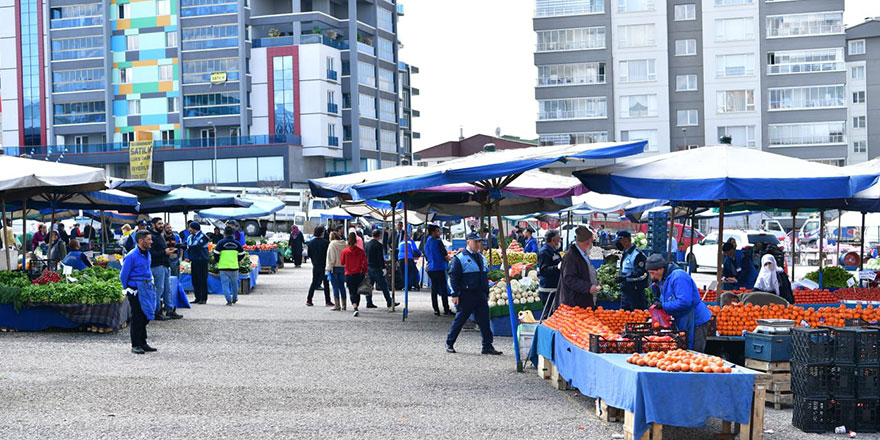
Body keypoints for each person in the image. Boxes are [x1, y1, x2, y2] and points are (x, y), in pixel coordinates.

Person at [445, 232, 502, 355]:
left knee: (485, 321)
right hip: (466, 294)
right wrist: (455, 294)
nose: (477, 244)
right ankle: (449, 343)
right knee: (460, 320)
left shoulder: (481, 257)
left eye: (479, 242)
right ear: (467, 242)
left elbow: (484, 276)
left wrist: (486, 292)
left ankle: (487, 345)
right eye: (475, 241)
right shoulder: (459, 258)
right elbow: (453, 277)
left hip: (480, 294)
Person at [646, 254, 712, 352]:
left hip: (696, 321)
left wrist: (663, 305)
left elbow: (685, 302)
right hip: (684, 319)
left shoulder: (678, 277)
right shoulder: (663, 279)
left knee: (694, 353)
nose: (652, 277)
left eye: (652, 273)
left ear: (660, 269)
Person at [120, 230, 158, 354]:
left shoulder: (147, 253)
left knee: (145, 315)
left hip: (146, 287)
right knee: (137, 316)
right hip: (135, 290)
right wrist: (129, 289)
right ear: (141, 241)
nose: (151, 241)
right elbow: (123, 275)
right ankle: (135, 344)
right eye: (148, 239)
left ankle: (143, 342)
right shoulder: (131, 256)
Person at [553, 226, 600, 310]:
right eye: (591, 242)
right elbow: (570, 278)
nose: (591, 245)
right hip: (573, 304)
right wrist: (588, 287)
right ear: (587, 242)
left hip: (580, 303)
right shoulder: (571, 257)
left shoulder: (580, 254)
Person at [149, 218, 182, 320]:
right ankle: (156, 311)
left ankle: (169, 310)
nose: (161, 225)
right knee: (159, 290)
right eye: (159, 224)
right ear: (153, 225)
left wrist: (170, 250)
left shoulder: (160, 235)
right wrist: (165, 252)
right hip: (157, 266)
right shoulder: (151, 237)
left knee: (168, 289)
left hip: (165, 265)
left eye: (162, 223)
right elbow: (150, 253)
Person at [614, 230, 649, 311]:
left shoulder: (637, 255)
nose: (617, 244)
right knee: (624, 316)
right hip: (625, 292)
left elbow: (641, 274)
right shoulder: (625, 254)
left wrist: (625, 277)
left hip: (635, 293)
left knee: (636, 318)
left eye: (619, 241)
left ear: (626, 241)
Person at [365, 229, 397, 311]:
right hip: (376, 268)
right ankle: (389, 301)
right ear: (379, 236)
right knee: (384, 286)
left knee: (369, 286)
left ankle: (368, 302)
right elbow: (380, 258)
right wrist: (383, 267)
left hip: (369, 267)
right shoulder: (378, 245)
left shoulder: (367, 244)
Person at [214, 227, 246, 306]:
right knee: (234, 284)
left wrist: (218, 260)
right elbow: (242, 254)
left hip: (223, 267)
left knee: (225, 284)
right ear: (233, 234)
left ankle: (228, 300)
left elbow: (216, 253)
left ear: (224, 234)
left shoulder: (221, 243)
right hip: (234, 267)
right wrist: (237, 259)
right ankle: (234, 298)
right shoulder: (237, 243)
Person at [425, 225, 452, 316]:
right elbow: (445, 255)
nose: (439, 233)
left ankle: (436, 310)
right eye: (437, 231)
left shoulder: (427, 242)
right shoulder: (438, 242)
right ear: (433, 232)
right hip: (439, 267)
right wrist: (449, 258)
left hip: (431, 269)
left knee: (434, 290)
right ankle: (446, 309)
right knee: (443, 290)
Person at [340, 232, 368, 317]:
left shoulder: (345, 251)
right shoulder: (361, 251)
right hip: (359, 273)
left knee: (352, 291)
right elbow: (365, 263)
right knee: (357, 291)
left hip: (349, 274)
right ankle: (357, 305)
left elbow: (342, 262)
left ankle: (355, 306)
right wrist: (365, 271)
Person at [306, 226, 333, 307]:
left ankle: (309, 299)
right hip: (324, 265)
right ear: (322, 233)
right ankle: (327, 301)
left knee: (314, 282)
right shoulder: (326, 243)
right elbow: (328, 254)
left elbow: (309, 254)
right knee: (326, 283)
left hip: (315, 265)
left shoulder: (310, 243)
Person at [185, 222, 211, 305]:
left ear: (194, 228)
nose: (189, 229)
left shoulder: (203, 237)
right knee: (195, 280)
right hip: (194, 260)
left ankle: (203, 298)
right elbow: (188, 245)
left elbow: (197, 246)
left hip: (202, 260)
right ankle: (197, 297)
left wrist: (187, 247)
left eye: (190, 228)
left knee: (202, 279)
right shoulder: (190, 237)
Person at [536, 230, 562, 307]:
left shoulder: (553, 251)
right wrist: (557, 267)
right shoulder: (544, 252)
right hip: (548, 290)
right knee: (548, 315)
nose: (559, 241)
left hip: (554, 288)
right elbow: (544, 270)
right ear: (553, 239)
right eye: (558, 239)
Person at [325, 232, 347, 310]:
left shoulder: (332, 244)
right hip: (343, 267)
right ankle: (344, 305)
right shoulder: (345, 244)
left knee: (335, 287)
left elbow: (331, 258)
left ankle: (337, 305)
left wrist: (328, 268)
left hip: (334, 267)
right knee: (342, 286)